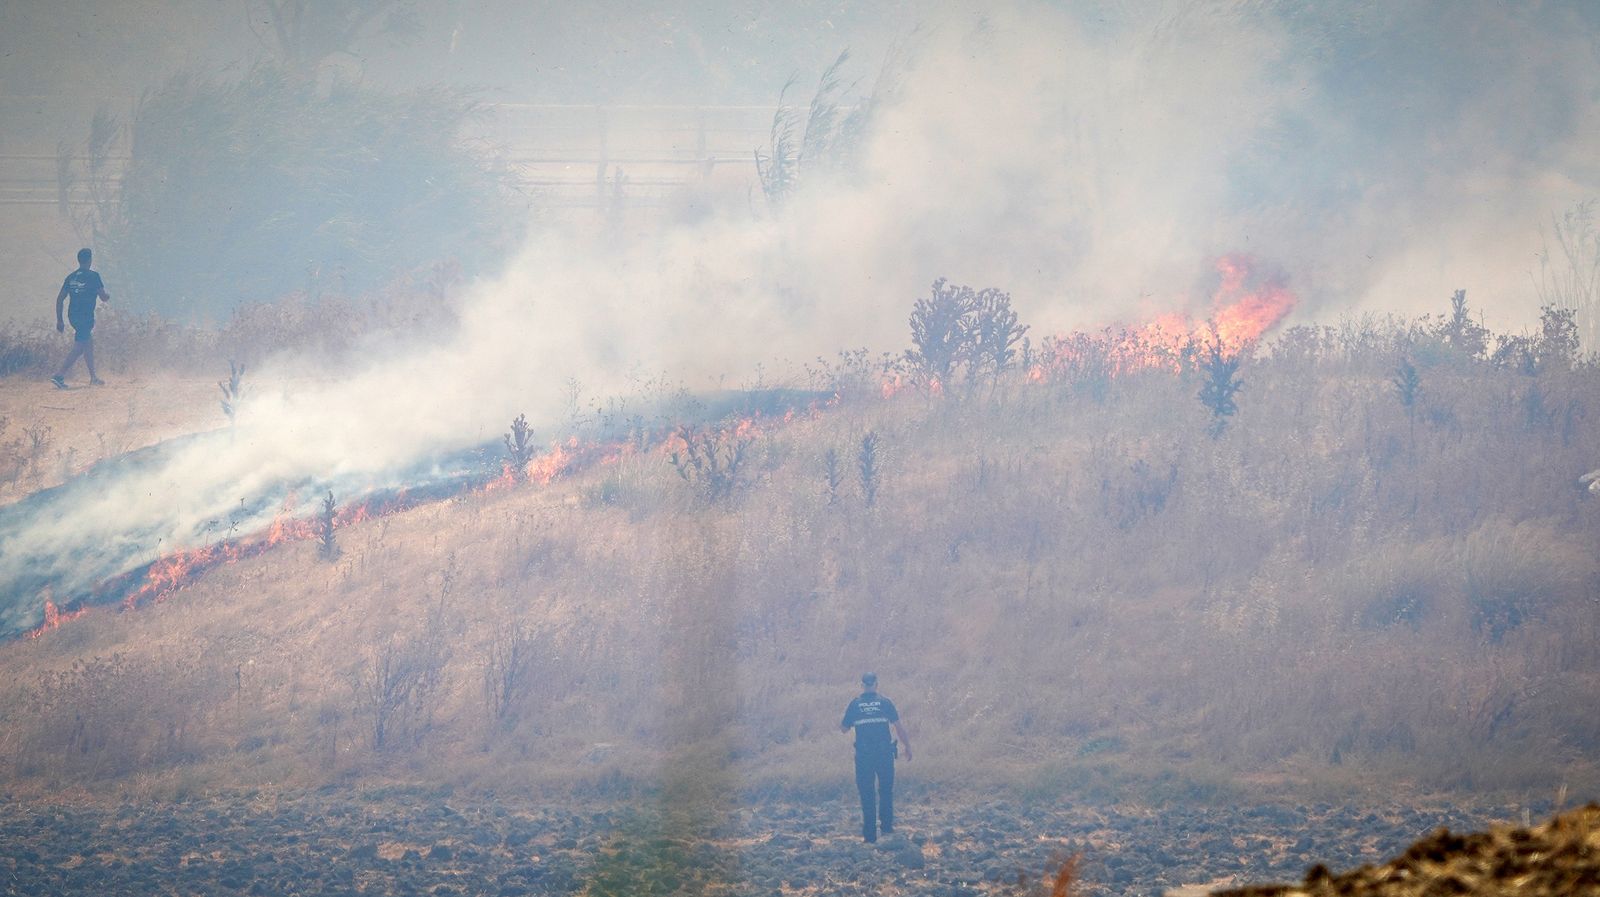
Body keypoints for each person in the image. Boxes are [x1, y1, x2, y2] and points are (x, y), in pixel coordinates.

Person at [840, 671, 912, 843]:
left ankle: (870, 836)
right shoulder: (885, 703)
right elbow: (899, 728)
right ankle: (887, 831)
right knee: (886, 791)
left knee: (867, 794)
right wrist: (907, 746)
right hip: (884, 754)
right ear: (877, 684)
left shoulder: (855, 705)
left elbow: (843, 729)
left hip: (864, 756)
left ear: (862, 685)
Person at [51, 248, 111, 388]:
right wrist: (108, 296)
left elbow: (60, 299)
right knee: (79, 348)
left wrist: (59, 320)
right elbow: (103, 297)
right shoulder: (94, 276)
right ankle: (59, 375)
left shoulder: (71, 277)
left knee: (87, 345)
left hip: (73, 316)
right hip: (85, 316)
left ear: (79, 260)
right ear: (90, 260)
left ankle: (93, 377)